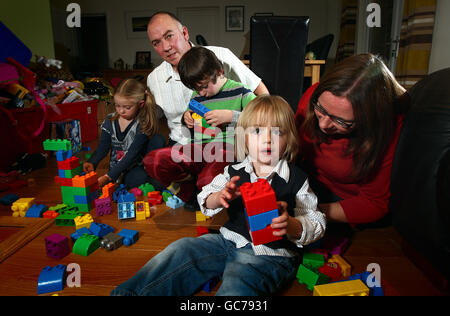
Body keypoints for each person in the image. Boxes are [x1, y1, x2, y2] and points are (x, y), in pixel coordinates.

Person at [110, 95, 326, 296]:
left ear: (289, 139)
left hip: (270, 255)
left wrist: (291, 225)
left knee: (239, 280)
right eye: (258, 131)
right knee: (183, 248)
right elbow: (206, 198)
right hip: (227, 240)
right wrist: (221, 196)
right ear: (244, 138)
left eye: (277, 132)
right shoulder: (234, 171)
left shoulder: (296, 179)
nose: (268, 139)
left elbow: (316, 219)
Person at [295, 53, 408, 225]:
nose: (324, 125)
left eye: (341, 121)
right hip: (305, 186)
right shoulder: (314, 97)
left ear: (369, 119)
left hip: (340, 205)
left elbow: (374, 203)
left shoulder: (391, 128)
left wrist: (310, 213)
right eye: (321, 110)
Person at [143, 46, 256, 206]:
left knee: (207, 179)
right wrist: (186, 118)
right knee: (153, 161)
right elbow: (191, 118)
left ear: (219, 72)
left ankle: (205, 195)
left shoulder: (241, 92)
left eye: (204, 86)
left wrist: (232, 116)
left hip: (227, 149)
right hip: (197, 149)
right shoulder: (197, 96)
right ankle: (190, 195)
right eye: (196, 88)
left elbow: (263, 118)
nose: (201, 93)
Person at [146, 11, 269, 146]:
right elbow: (152, 119)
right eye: (156, 43)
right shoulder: (154, 79)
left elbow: (262, 94)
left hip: (227, 143)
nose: (166, 47)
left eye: (169, 36)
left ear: (185, 33)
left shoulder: (222, 56)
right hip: (183, 145)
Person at [83, 78, 165, 189]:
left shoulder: (141, 123)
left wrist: (108, 177)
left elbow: (132, 155)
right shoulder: (109, 121)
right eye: (117, 105)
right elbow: (102, 148)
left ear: (140, 104)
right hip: (117, 167)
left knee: (139, 178)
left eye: (127, 107)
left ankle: (153, 173)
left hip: (134, 165)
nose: (121, 111)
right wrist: (93, 162)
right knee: (130, 181)